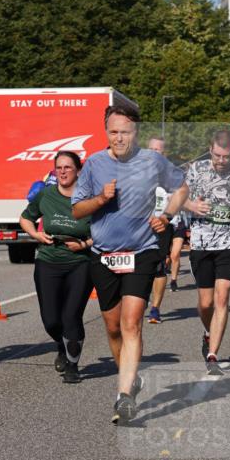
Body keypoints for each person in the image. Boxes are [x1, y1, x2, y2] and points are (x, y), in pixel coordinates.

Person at [72, 104, 188, 424]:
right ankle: (130, 378)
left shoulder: (152, 161)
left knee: (131, 322)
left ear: (135, 132)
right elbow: (77, 210)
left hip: (142, 251)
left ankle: (123, 396)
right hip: (105, 255)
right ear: (105, 132)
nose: (119, 137)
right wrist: (100, 199)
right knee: (112, 328)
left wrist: (166, 216)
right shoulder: (94, 164)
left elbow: (181, 187)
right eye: (113, 131)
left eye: (125, 131)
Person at [182, 129, 230, 375]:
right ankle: (207, 331)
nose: (221, 161)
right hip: (201, 242)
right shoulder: (196, 170)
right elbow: (179, 197)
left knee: (222, 296)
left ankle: (213, 356)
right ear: (210, 149)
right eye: (217, 155)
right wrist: (192, 205)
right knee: (205, 304)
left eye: (226, 157)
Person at [20, 151, 93, 383]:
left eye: (67, 167)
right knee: (51, 320)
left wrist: (84, 243)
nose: (62, 172)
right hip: (48, 260)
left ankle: (73, 366)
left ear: (78, 171)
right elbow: (25, 218)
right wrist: (36, 234)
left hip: (80, 262)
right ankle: (61, 347)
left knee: (71, 316)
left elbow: (106, 230)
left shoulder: (90, 197)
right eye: (58, 168)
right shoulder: (46, 195)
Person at [146, 136, 174, 323]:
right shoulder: (136, 170)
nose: (156, 153)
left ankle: (155, 308)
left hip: (163, 225)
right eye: (153, 150)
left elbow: (178, 198)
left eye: (159, 150)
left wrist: (166, 216)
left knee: (159, 267)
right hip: (139, 225)